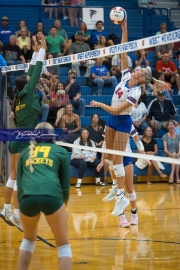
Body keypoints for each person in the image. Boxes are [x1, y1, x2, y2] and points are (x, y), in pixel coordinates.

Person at [90, 20, 164, 217]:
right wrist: (124, 27)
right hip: (113, 120)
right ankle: (116, 187)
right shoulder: (125, 76)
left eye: (140, 69)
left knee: (119, 160)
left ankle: (122, 197)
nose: (136, 67)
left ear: (142, 77)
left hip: (122, 121)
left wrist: (99, 105)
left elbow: (116, 111)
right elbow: (123, 51)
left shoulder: (137, 91)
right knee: (112, 161)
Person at [0, 35, 46, 229]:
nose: (31, 78)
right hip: (24, 138)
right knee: (21, 178)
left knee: (13, 176)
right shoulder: (27, 93)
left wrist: (34, 51)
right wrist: (42, 48)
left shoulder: (20, 96)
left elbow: (31, 70)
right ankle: (17, 214)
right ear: (26, 84)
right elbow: (35, 71)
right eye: (28, 80)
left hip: (15, 138)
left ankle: (6, 209)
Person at [17, 122, 72, 270]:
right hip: (51, 195)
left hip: (26, 197)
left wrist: (20, 208)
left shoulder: (24, 153)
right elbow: (65, 186)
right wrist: (64, 208)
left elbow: (20, 185)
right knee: (63, 244)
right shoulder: (61, 152)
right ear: (52, 135)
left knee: (28, 240)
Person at [98, 125, 144, 226]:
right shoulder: (109, 125)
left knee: (130, 189)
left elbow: (137, 140)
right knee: (118, 189)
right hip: (113, 158)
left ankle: (134, 213)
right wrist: (102, 161)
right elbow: (105, 144)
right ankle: (122, 217)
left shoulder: (128, 122)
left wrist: (143, 155)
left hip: (126, 156)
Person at [86, 113, 109, 185]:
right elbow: (87, 139)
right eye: (94, 117)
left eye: (97, 117)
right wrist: (94, 143)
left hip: (100, 146)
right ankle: (97, 179)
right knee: (96, 160)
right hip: (92, 147)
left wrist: (101, 142)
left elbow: (104, 138)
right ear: (92, 119)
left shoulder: (101, 128)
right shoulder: (88, 128)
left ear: (98, 119)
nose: (96, 119)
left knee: (106, 159)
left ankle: (105, 179)